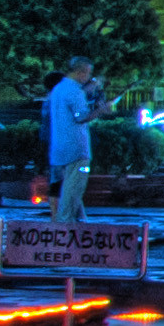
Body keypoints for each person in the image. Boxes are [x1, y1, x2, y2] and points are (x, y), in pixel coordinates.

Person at [43, 56, 99, 222]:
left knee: (65, 189)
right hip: (76, 150)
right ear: (81, 71)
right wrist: (101, 110)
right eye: (88, 73)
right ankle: (65, 229)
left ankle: (77, 220)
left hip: (59, 150)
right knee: (73, 190)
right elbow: (81, 117)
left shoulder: (58, 89)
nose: (88, 78)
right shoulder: (75, 91)